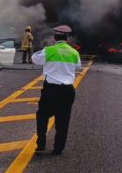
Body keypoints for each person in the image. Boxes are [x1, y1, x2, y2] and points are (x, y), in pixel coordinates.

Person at [32, 25, 81, 156]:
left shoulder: (48, 51)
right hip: (67, 91)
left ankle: (41, 144)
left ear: (54, 38)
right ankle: (58, 149)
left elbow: (35, 59)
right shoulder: (74, 52)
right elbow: (77, 65)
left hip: (51, 90)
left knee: (42, 116)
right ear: (67, 39)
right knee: (63, 120)